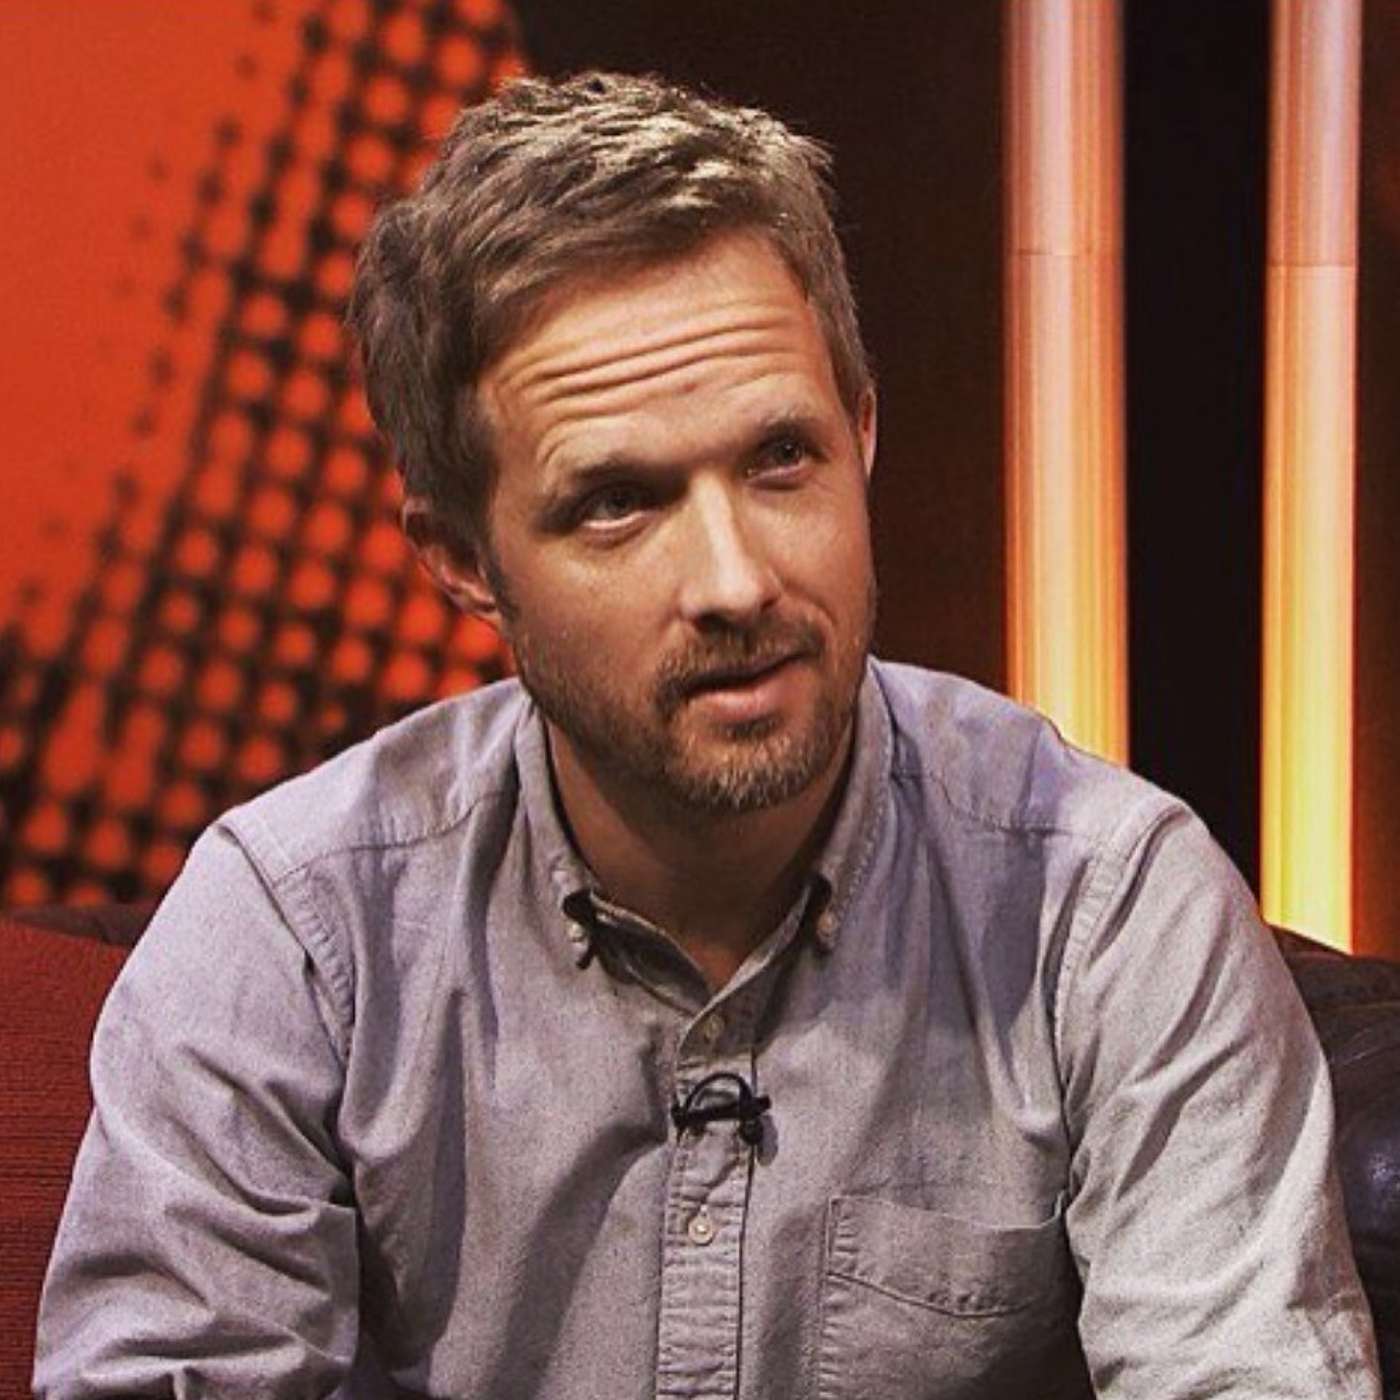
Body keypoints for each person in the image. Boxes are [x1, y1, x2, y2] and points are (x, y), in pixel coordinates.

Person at [35, 71, 1379, 1398]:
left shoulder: (1110, 906)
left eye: (780, 459)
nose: (737, 581)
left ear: (862, 431)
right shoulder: (295, 932)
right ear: (460, 557)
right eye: (617, 503)